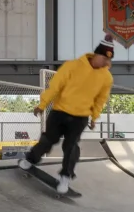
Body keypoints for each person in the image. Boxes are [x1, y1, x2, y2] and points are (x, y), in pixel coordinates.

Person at [19, 35, 115, 193]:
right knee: (48, 139)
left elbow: (101, 99)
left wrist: (94, 117)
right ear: (96, 55)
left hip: (80, 117)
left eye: (107, 62)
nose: (105, 64)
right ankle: (30, 160)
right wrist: (42, 104)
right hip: (59, 112)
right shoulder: (72, 66)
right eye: (104, 60)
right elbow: (55, 86)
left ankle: (65, 177)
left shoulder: (106, 77)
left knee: (71, 146)